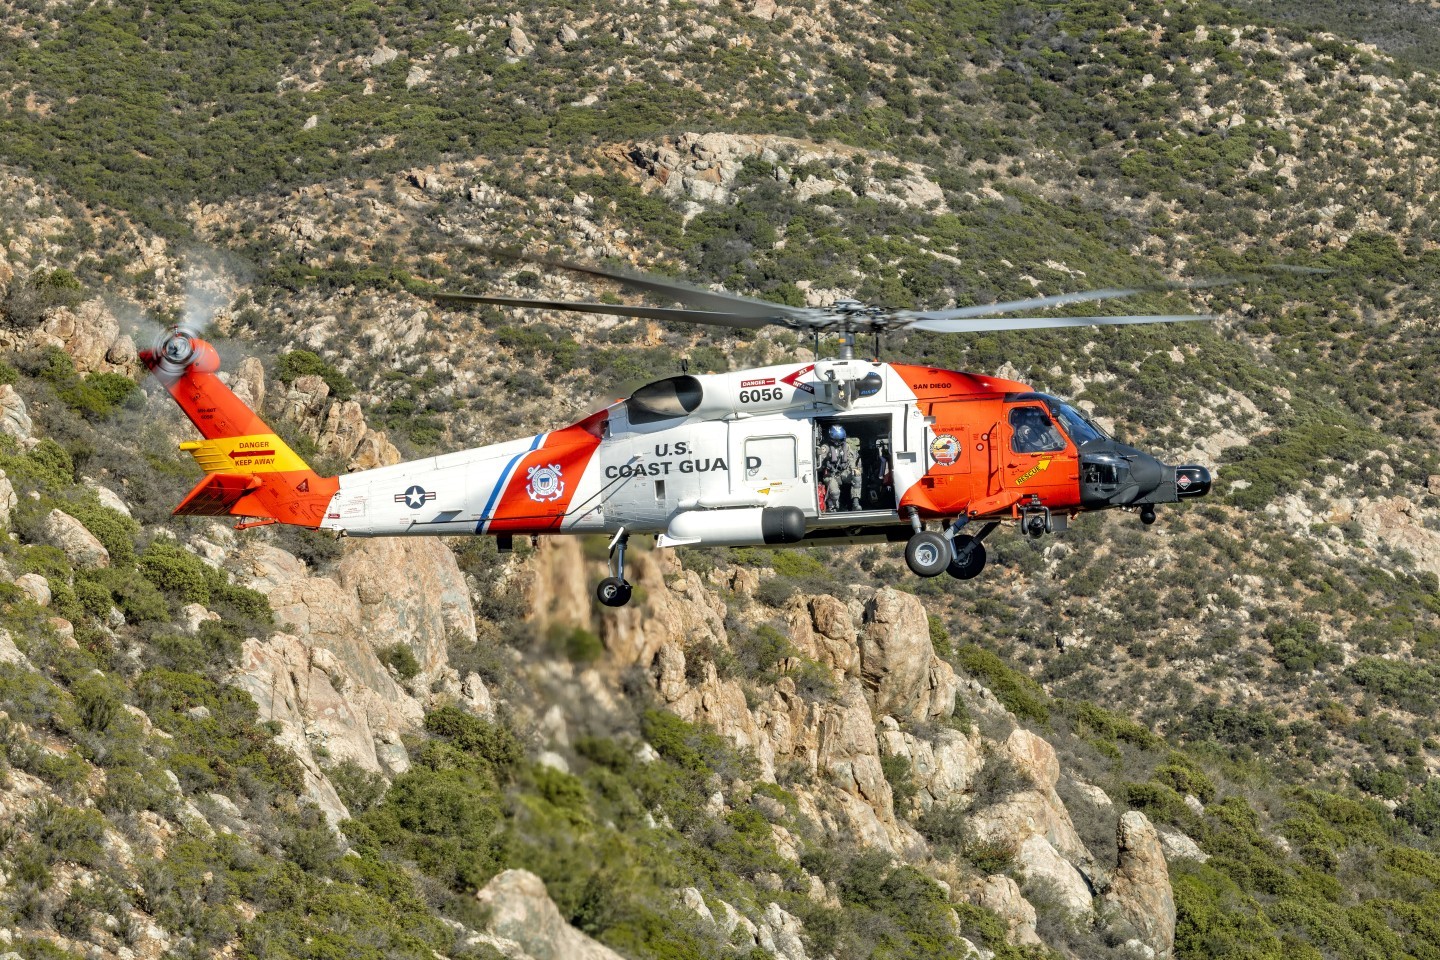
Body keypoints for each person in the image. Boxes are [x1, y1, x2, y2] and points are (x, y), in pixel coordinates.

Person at [818, 424, 861, 512]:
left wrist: (854, 469)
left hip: (844, 472)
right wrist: (823, 459)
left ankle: (855, 504)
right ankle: (834, 507)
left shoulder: (846, 447)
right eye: (836, 440)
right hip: (831, 474)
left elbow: (851, 459)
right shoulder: (825, 448)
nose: (838, 442)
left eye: (840, 439)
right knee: (835, 493)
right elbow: (819, 465)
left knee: (857, 477)